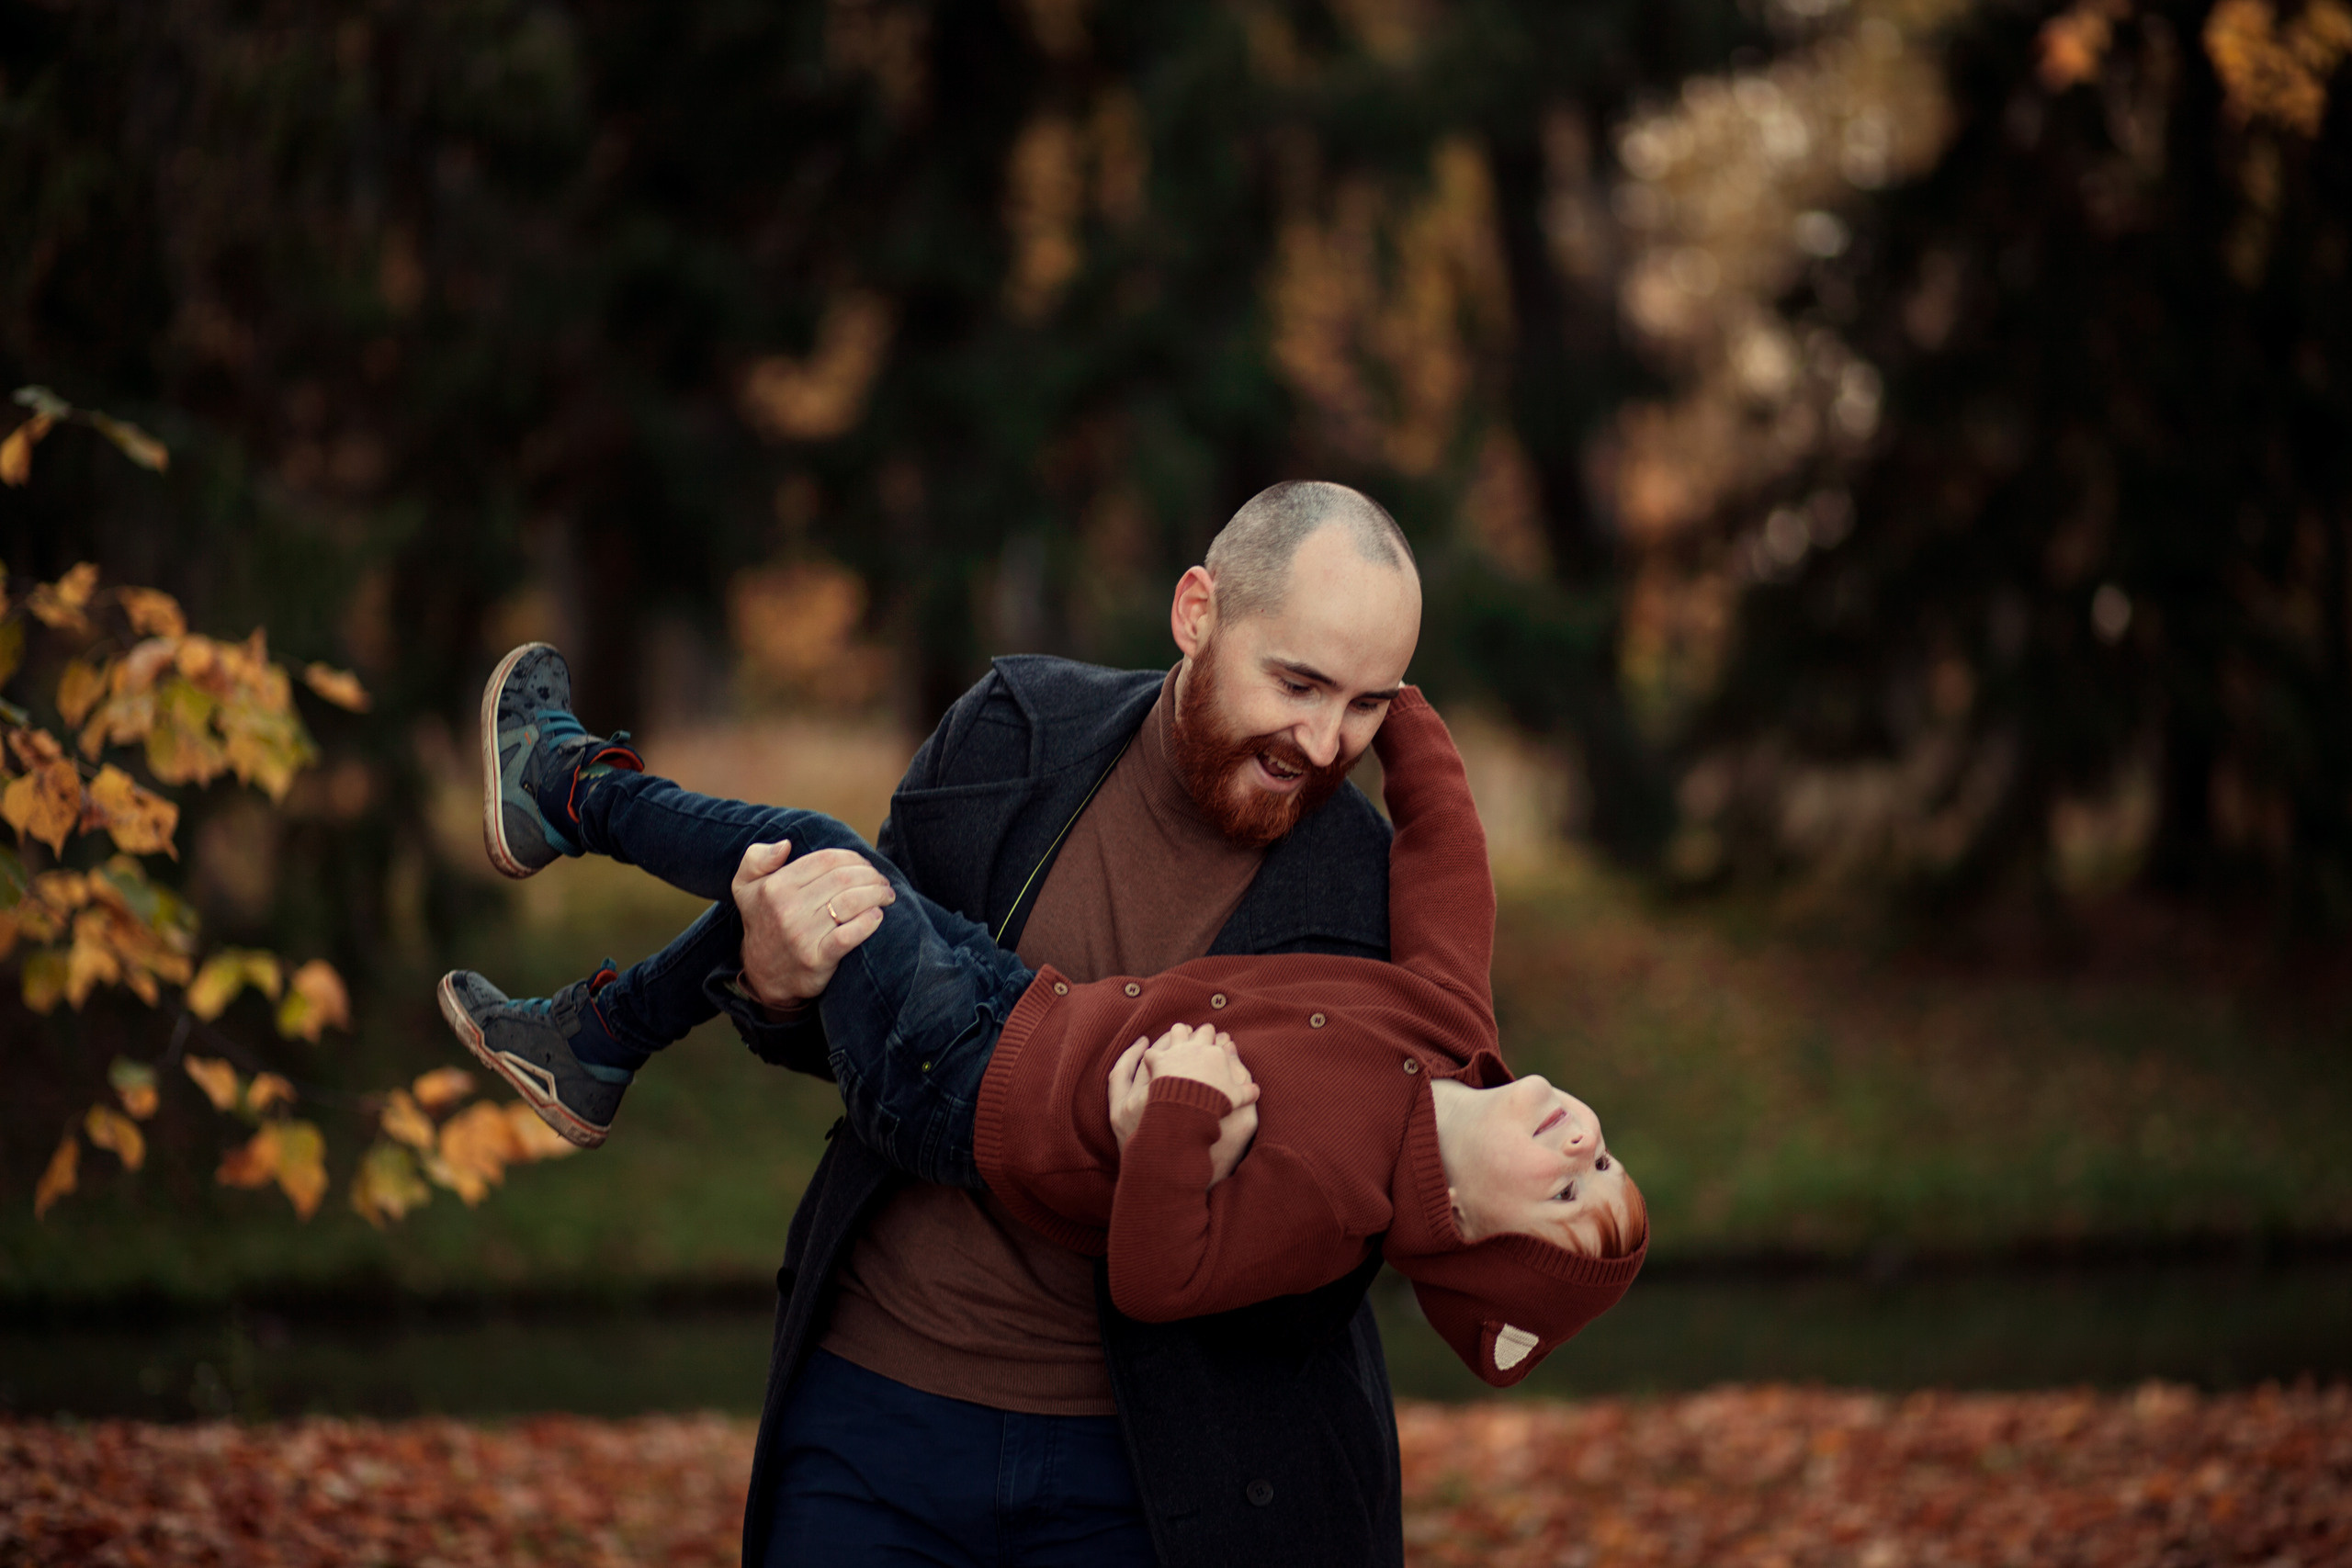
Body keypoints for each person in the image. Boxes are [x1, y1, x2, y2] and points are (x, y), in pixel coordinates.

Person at [493, 481, 1463, 1565]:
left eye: (1370, 706)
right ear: (1198, 613)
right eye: (1298, 683)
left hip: (1164, 1472)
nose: (1326, 741)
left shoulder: (1362, 888)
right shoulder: (1020, 730)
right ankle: (590, 979)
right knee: (838, 881)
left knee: (835, 867)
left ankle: (581, 880)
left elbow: (1330, 1253)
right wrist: (773, 985)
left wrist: (1183, 1160)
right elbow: (868, 1023)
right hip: (877, 1416)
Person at [440, 663, 1648, 1382]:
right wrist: (1392, 696)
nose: (1581, 1137)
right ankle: (595, 1040)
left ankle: (564, 787)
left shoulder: (1341, 1208)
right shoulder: (1449, 1024)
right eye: (1604, 1156)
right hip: (1019, 999)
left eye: (1565, 1187)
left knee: (819, 853)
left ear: (1472, 1233)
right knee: (843, 880)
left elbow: (1161, 1278)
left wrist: (1175, 1121)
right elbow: (1449, 859)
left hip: (971, 1092)